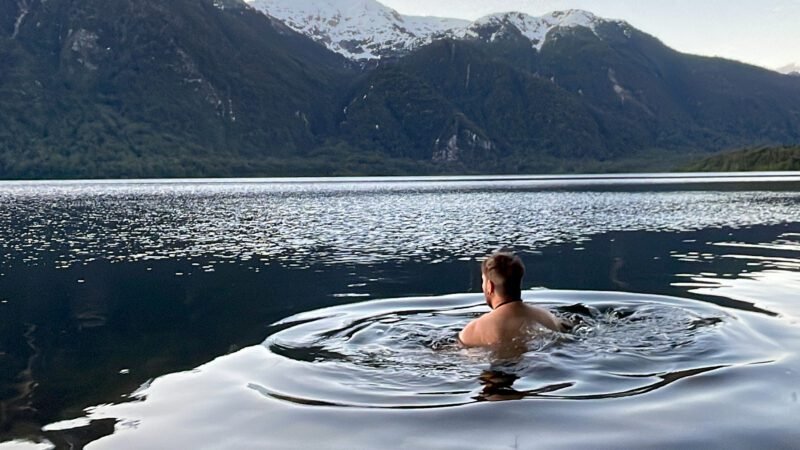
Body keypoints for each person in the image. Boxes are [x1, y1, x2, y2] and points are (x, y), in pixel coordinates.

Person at [458, 251, 570, 348]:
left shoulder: (472, 331)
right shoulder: (549, 318)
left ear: (489, 286)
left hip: (500, 367)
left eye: (483, 281)